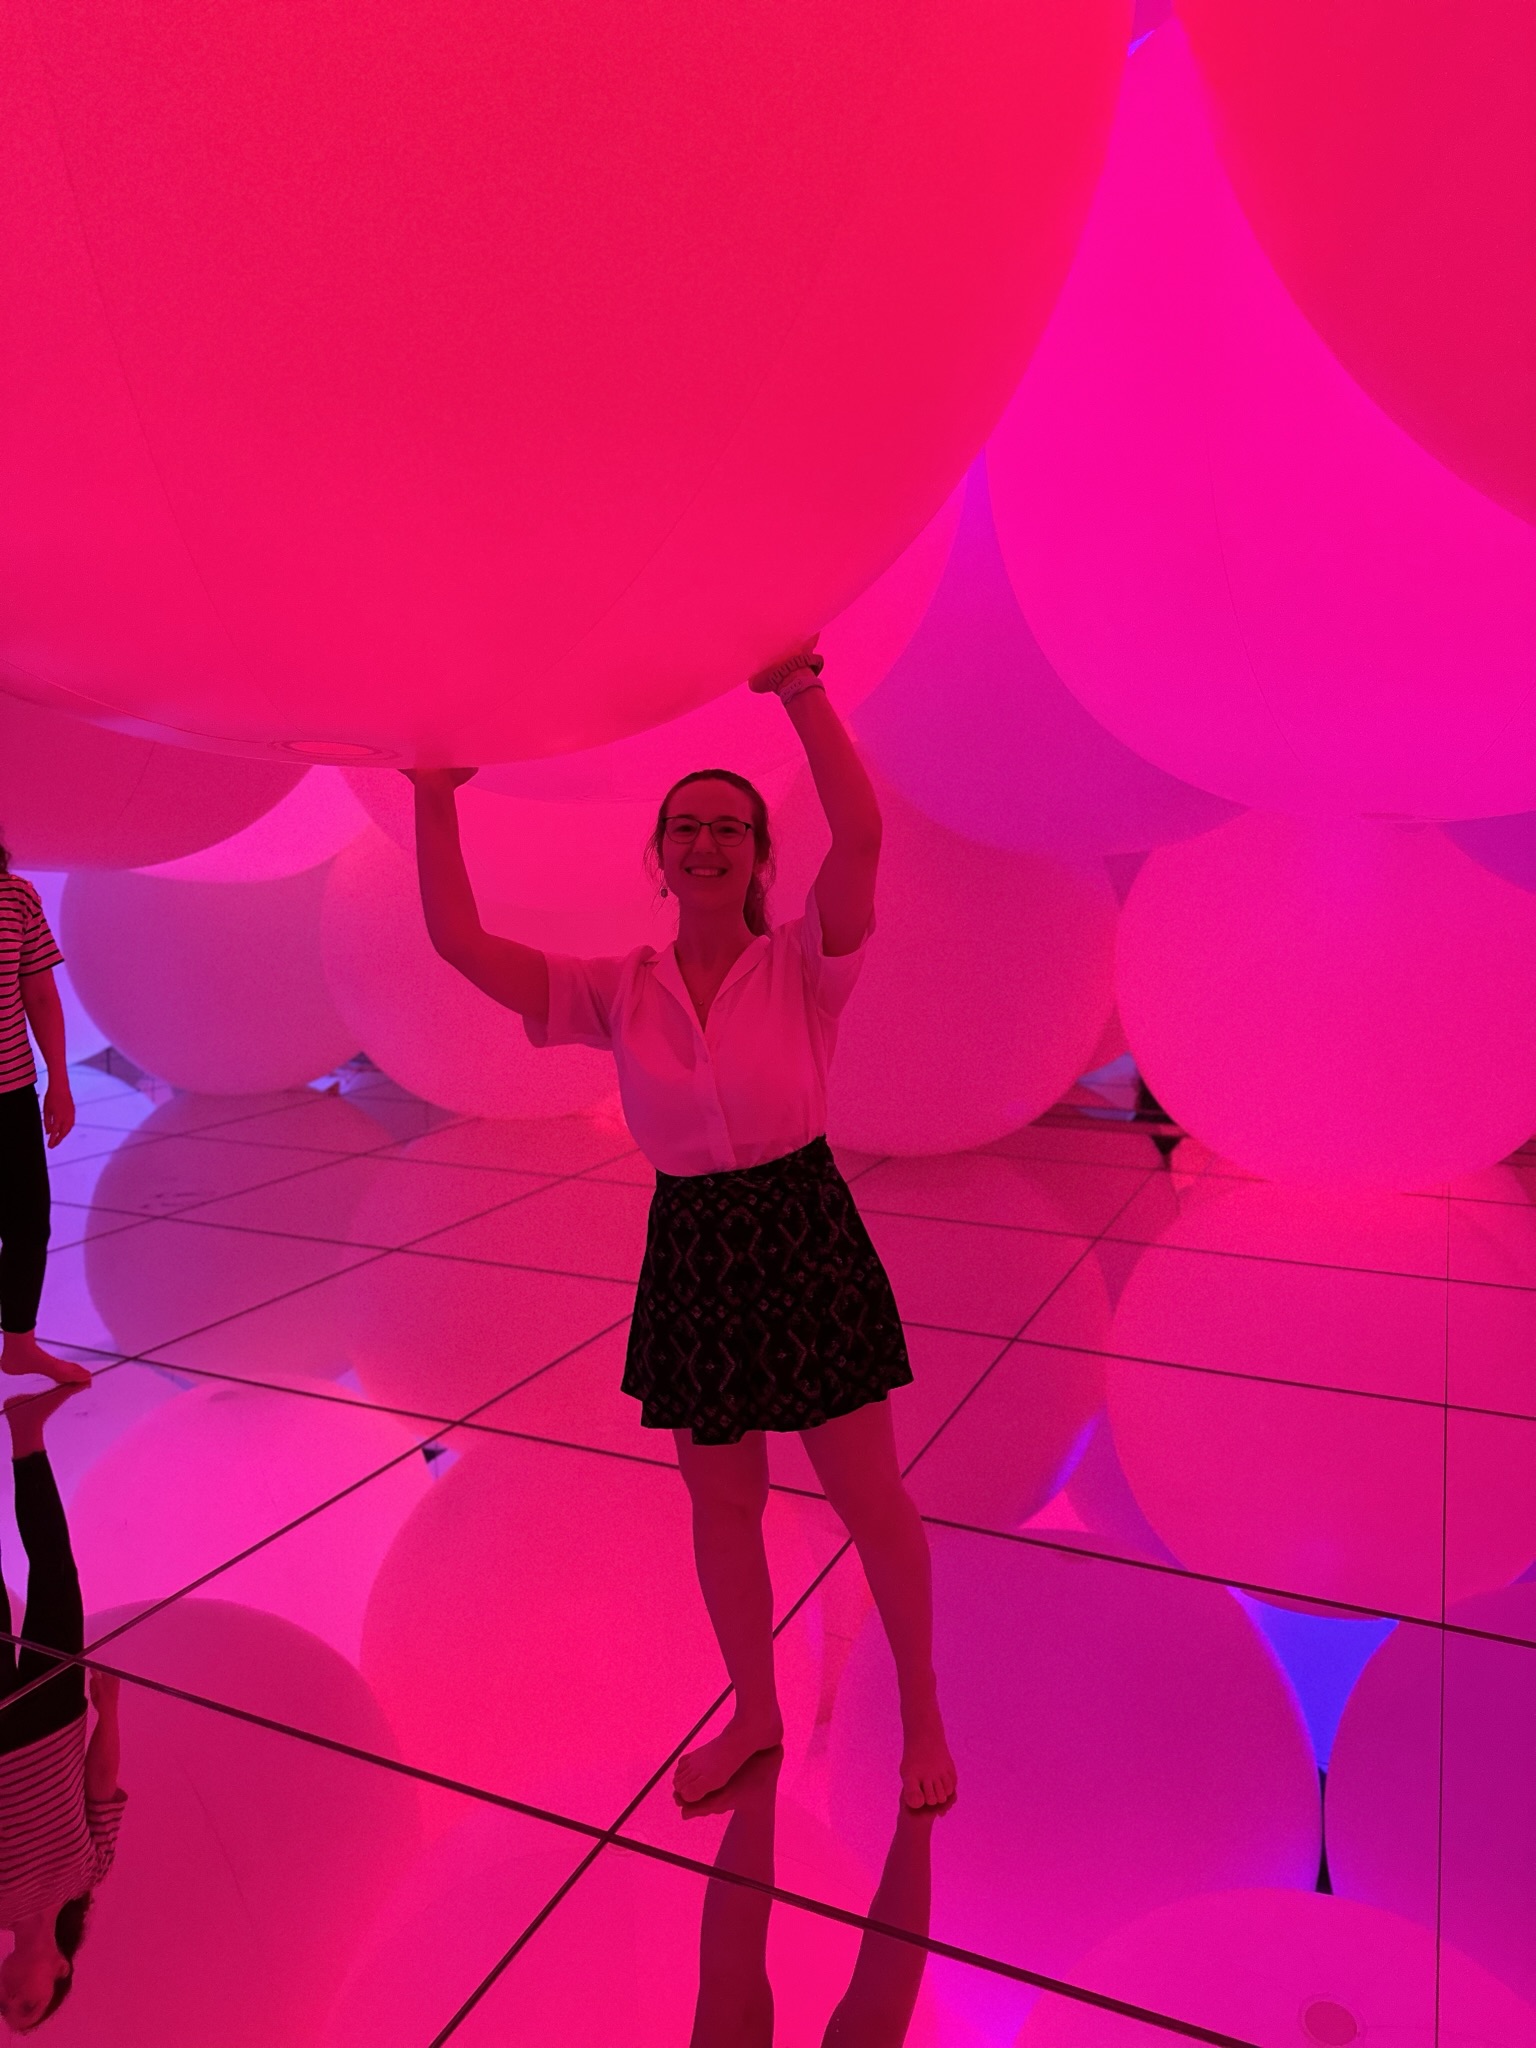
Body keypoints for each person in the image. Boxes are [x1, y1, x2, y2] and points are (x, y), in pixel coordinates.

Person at [409, 644, 955, 1810]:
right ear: (659, 858)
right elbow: (462, 944)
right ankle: (756, 1709)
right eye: (685, 827)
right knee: (722, 1502)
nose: (704, 842)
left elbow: (859, 836)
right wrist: (429, 793)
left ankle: (920, 1703)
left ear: (758, 854)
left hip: (803, 1230)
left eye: (728, 826)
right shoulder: (622, 987)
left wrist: (800, 690)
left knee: (871, 1496)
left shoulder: (806, 967)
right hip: (696, 1249)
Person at [0, 1384, 126, 2032]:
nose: (7, 1997)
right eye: (25, 2006)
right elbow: (100, 1791)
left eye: (3, 2007)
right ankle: (27, 1435)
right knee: (56, 1576)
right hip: (56, 1723)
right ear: (59, 1974)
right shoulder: (88, 1875)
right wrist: (109, 1713)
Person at [0, 840, 85, 1390]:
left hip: (10, 1088)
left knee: (29, 1222)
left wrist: (59, 1079)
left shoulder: (17, 897)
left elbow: (41, 993)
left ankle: (20, 1346)